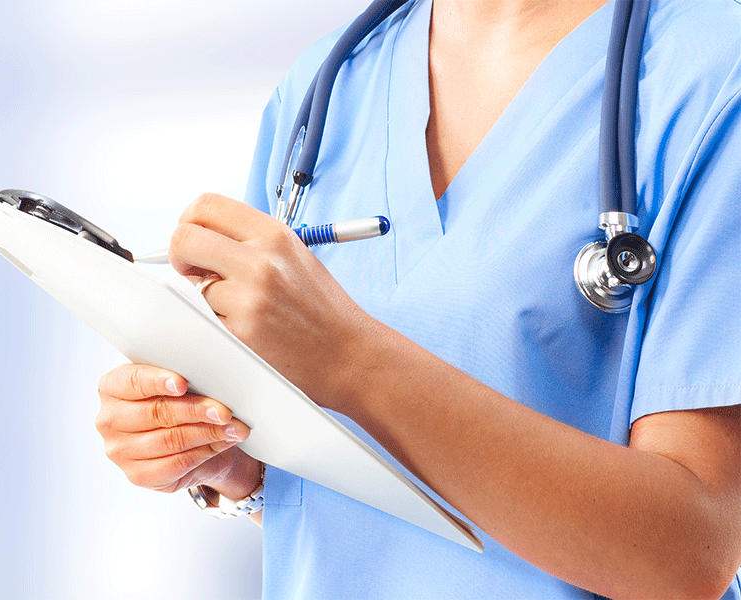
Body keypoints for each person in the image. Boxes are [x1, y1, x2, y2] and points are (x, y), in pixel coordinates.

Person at [94, 0, 741, 597]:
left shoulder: (712, 77)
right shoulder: (330, 82)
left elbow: (690, 552)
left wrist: (352, 362)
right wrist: (238, 467)